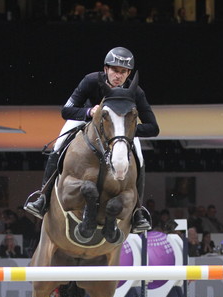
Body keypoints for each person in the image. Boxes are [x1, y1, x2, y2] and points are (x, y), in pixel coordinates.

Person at [23, 46, 159, 233]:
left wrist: (124, 131)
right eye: (114, 70)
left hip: (118, 134)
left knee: (140, 159)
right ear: (106, 69)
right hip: (85, 123)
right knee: (59, 146)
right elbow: (66, 110)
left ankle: (138, 212)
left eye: (123, 72)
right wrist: (88, 112)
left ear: (128, 73)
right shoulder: (90, 81)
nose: (118, 76)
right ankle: (42, 198)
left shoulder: (135, 92)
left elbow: (153, 127)